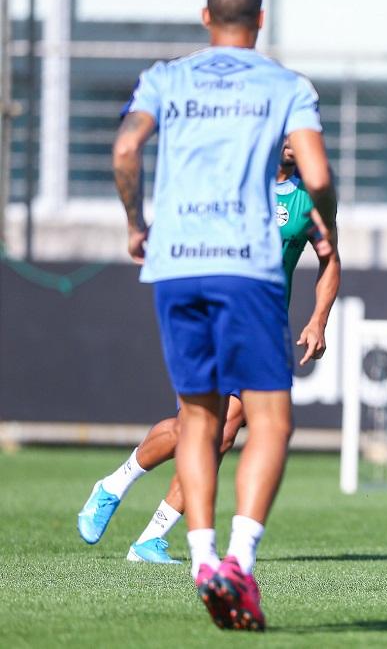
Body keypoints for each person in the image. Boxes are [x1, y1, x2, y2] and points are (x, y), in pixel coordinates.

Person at [111, 0, 337, 631]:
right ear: (260, 21)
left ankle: (201, 556)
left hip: (175, 262)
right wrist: (326, 215)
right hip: (246, 265)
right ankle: (238, 556)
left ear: (205, 17)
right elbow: (316, 174)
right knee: (269, 419)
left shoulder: (165, 76)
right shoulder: (287, 85)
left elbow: (126, 149)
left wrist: (134, 224)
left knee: (199, 414)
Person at [78, 141, 339, 565]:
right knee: (194, 427)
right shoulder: (230, 180)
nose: (295, 139)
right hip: (211, 316)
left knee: (221, 433)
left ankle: (150, 539)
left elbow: (331, 259)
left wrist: (318, 320)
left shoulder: (312, 194)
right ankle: (113, 486)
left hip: (261, 325)